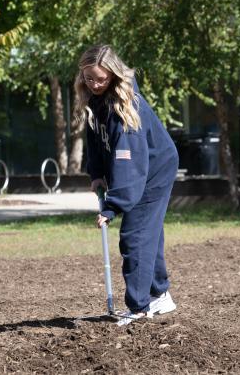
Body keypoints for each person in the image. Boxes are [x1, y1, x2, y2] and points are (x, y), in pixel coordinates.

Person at [74, 44, 178, 326]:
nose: (94, 84)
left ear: (113, 76)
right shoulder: (96, 102)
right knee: (148, 233)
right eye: (88, 78)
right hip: (139, 166)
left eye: (100, 79)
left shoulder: (125, 109)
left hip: (152, 170)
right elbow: (95, 139)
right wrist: (95, 172)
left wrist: (113, 206)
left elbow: (128, 163)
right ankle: (159, 295)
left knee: (135, 236)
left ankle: (139, 307)